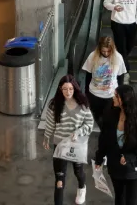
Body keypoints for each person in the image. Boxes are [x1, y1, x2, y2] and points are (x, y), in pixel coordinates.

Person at [94, 85, 137, 205]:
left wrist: (130, 157)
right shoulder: (110, 114)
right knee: (119, 199)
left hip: (134, 167)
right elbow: (104, 138)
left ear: (125, 99)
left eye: (116, 96)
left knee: (131, 201)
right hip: (115, 166)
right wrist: (99, 158)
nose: (113, 98)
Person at [43, 75, 94, 205]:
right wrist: (47, 137)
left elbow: (89, 124)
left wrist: (78, 132)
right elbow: (50, 124)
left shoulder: (83, 104)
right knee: (59, 179)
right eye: (65, 89)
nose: (68, 92)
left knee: (79, 172)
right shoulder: (54, 105)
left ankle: (82, 187)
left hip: (76, 145)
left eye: (71, 89)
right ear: (60, 89)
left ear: (75, 89)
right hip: (60, 145)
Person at [81, 36, 128, 121]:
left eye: (108, 51)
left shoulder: (118, 58)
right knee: (97, 119)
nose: (106, 53)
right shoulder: (92, 56)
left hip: (111, 95)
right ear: (99, 49)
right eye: (103, 51)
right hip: (94, 94)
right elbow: (88, 75)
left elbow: (120, 77)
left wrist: (120, 94)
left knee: (109, 120)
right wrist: (86, 92)